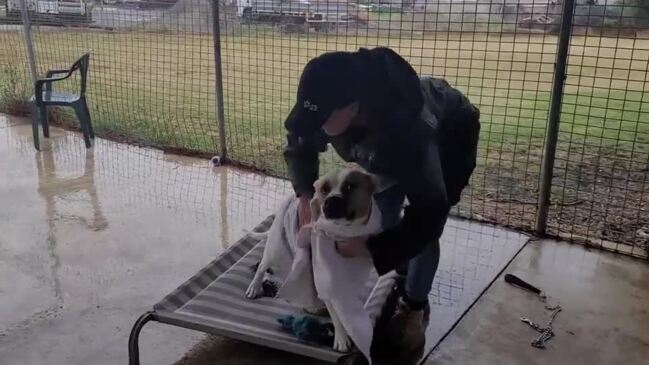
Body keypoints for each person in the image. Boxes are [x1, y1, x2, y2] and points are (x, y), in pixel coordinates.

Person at [283, 47, 480, 352]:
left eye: (322, 118)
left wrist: (374, 248)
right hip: (383, 145)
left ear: (351, 107)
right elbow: (301, 138)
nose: (318, 125)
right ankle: (392, 274)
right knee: (383, 215)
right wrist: (304, 193)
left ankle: (414, 306)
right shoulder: (329, 98)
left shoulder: (410, 130)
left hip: (448, 137)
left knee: (423, 233)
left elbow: (430, 212)